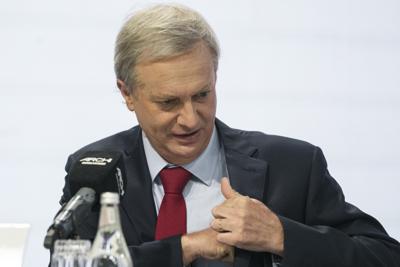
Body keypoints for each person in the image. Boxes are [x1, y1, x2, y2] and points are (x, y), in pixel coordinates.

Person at [58, 4, 400, 267]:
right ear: (127, 93)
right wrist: (186, 248)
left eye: (202, 95)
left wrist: (282, 236)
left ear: (215, 78)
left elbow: (384, 256)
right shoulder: (94, 171)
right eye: (169, 102)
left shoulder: (292, 166)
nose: (190, 119)